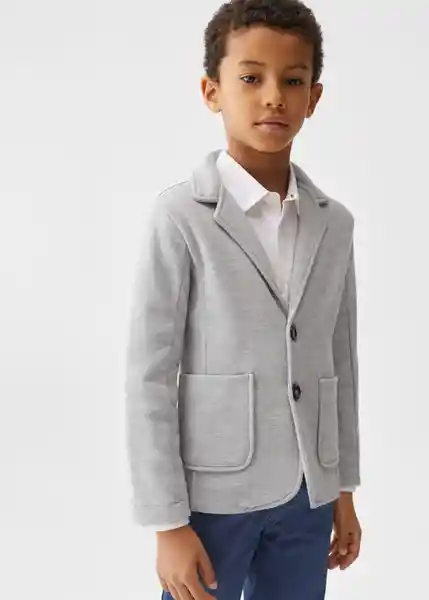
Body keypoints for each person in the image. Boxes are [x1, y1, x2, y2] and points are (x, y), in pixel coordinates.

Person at [124, 1, 362, 599]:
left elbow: (340, 364)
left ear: (314, 97)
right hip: (213, 498)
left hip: (308, 495)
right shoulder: (180, 216)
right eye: (251, 78)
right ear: (212, 91)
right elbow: (150, 376)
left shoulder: (334, 224)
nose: (274, 97)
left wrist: (341, 488)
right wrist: (167, 522)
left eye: (293, 81)